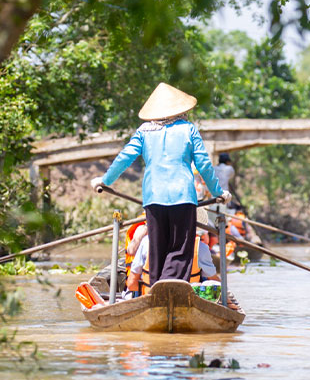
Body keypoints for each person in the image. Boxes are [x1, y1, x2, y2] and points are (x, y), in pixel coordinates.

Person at [91, 82, 231, 289]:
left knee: (157, 249)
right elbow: (203, 164)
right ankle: (169, 288)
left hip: (153, 197)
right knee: (180, 249)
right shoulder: (188, 129)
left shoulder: (144, 131)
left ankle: (157, 288)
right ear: (180, 110)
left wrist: (105, 181)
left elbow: (124, 157)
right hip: (183, 197)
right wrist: (219, 192)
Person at [127, 209, 219, 297]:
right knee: (209, 283)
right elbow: (216, 283)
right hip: (188, 300)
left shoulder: (146, 242)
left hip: (152, 299)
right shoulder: (201, 248)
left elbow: (131, 284)